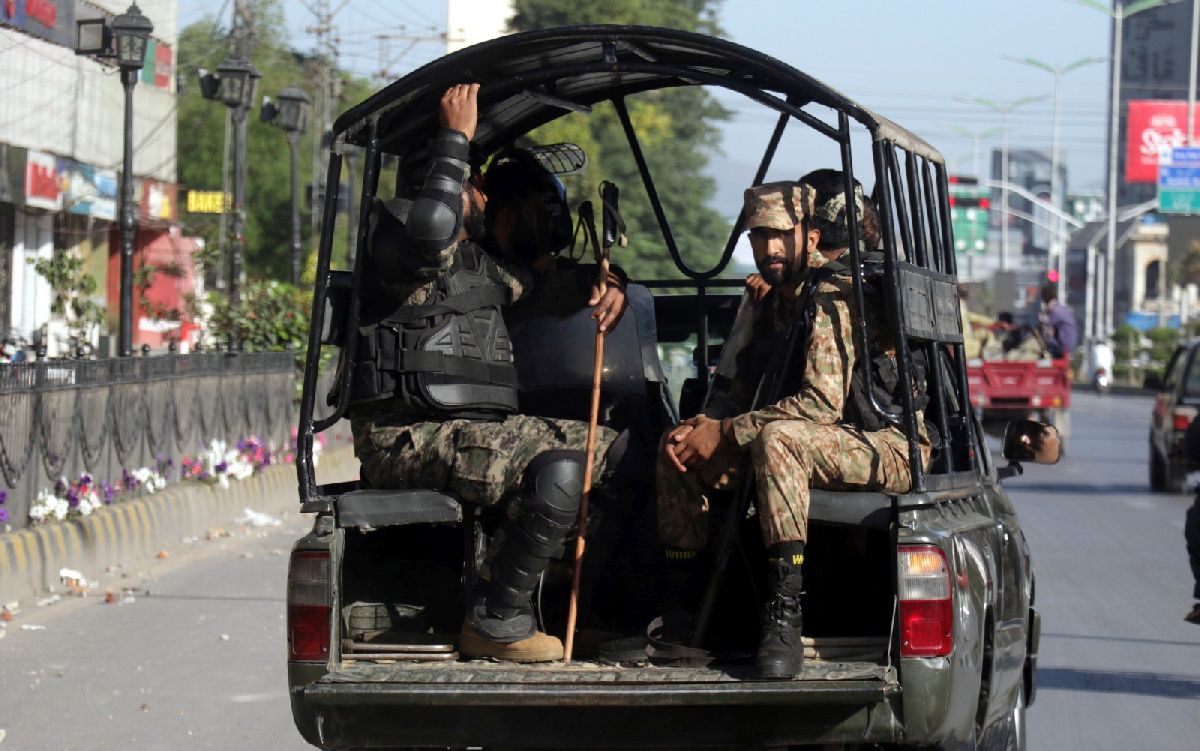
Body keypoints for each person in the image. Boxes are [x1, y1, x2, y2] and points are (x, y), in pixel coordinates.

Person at [347, 84, 628, 662]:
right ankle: (498, 620)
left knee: (619, 455)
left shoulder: (480, 263)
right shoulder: (396, 238)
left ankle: (563, 611)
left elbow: (550, 283)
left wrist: (609, 281)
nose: (481, 194)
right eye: (472, 183)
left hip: (466, 430)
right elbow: (430, 238)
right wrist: (455, 141)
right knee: (558, 469)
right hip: (405, 436)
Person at [655, 173, 929, 679]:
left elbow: (820, 405)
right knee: (677, 447)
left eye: (782, 234)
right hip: (809, 445)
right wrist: (703, 428)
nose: (771, 247)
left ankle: (783, 617)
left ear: (812, 235)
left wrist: (730, 431)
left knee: (780, 440)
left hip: (883, 446)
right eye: (760, 236)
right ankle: (680, 612)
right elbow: (737, 387)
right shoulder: (775, 298)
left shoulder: (833, 291)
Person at [1039, 283, 1078, 359]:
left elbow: (1045, 325)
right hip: (1067, 344)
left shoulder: (1056, 311)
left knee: (1041, 340)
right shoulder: (1060, 308)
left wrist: (1042, 316)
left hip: (1063, 345)